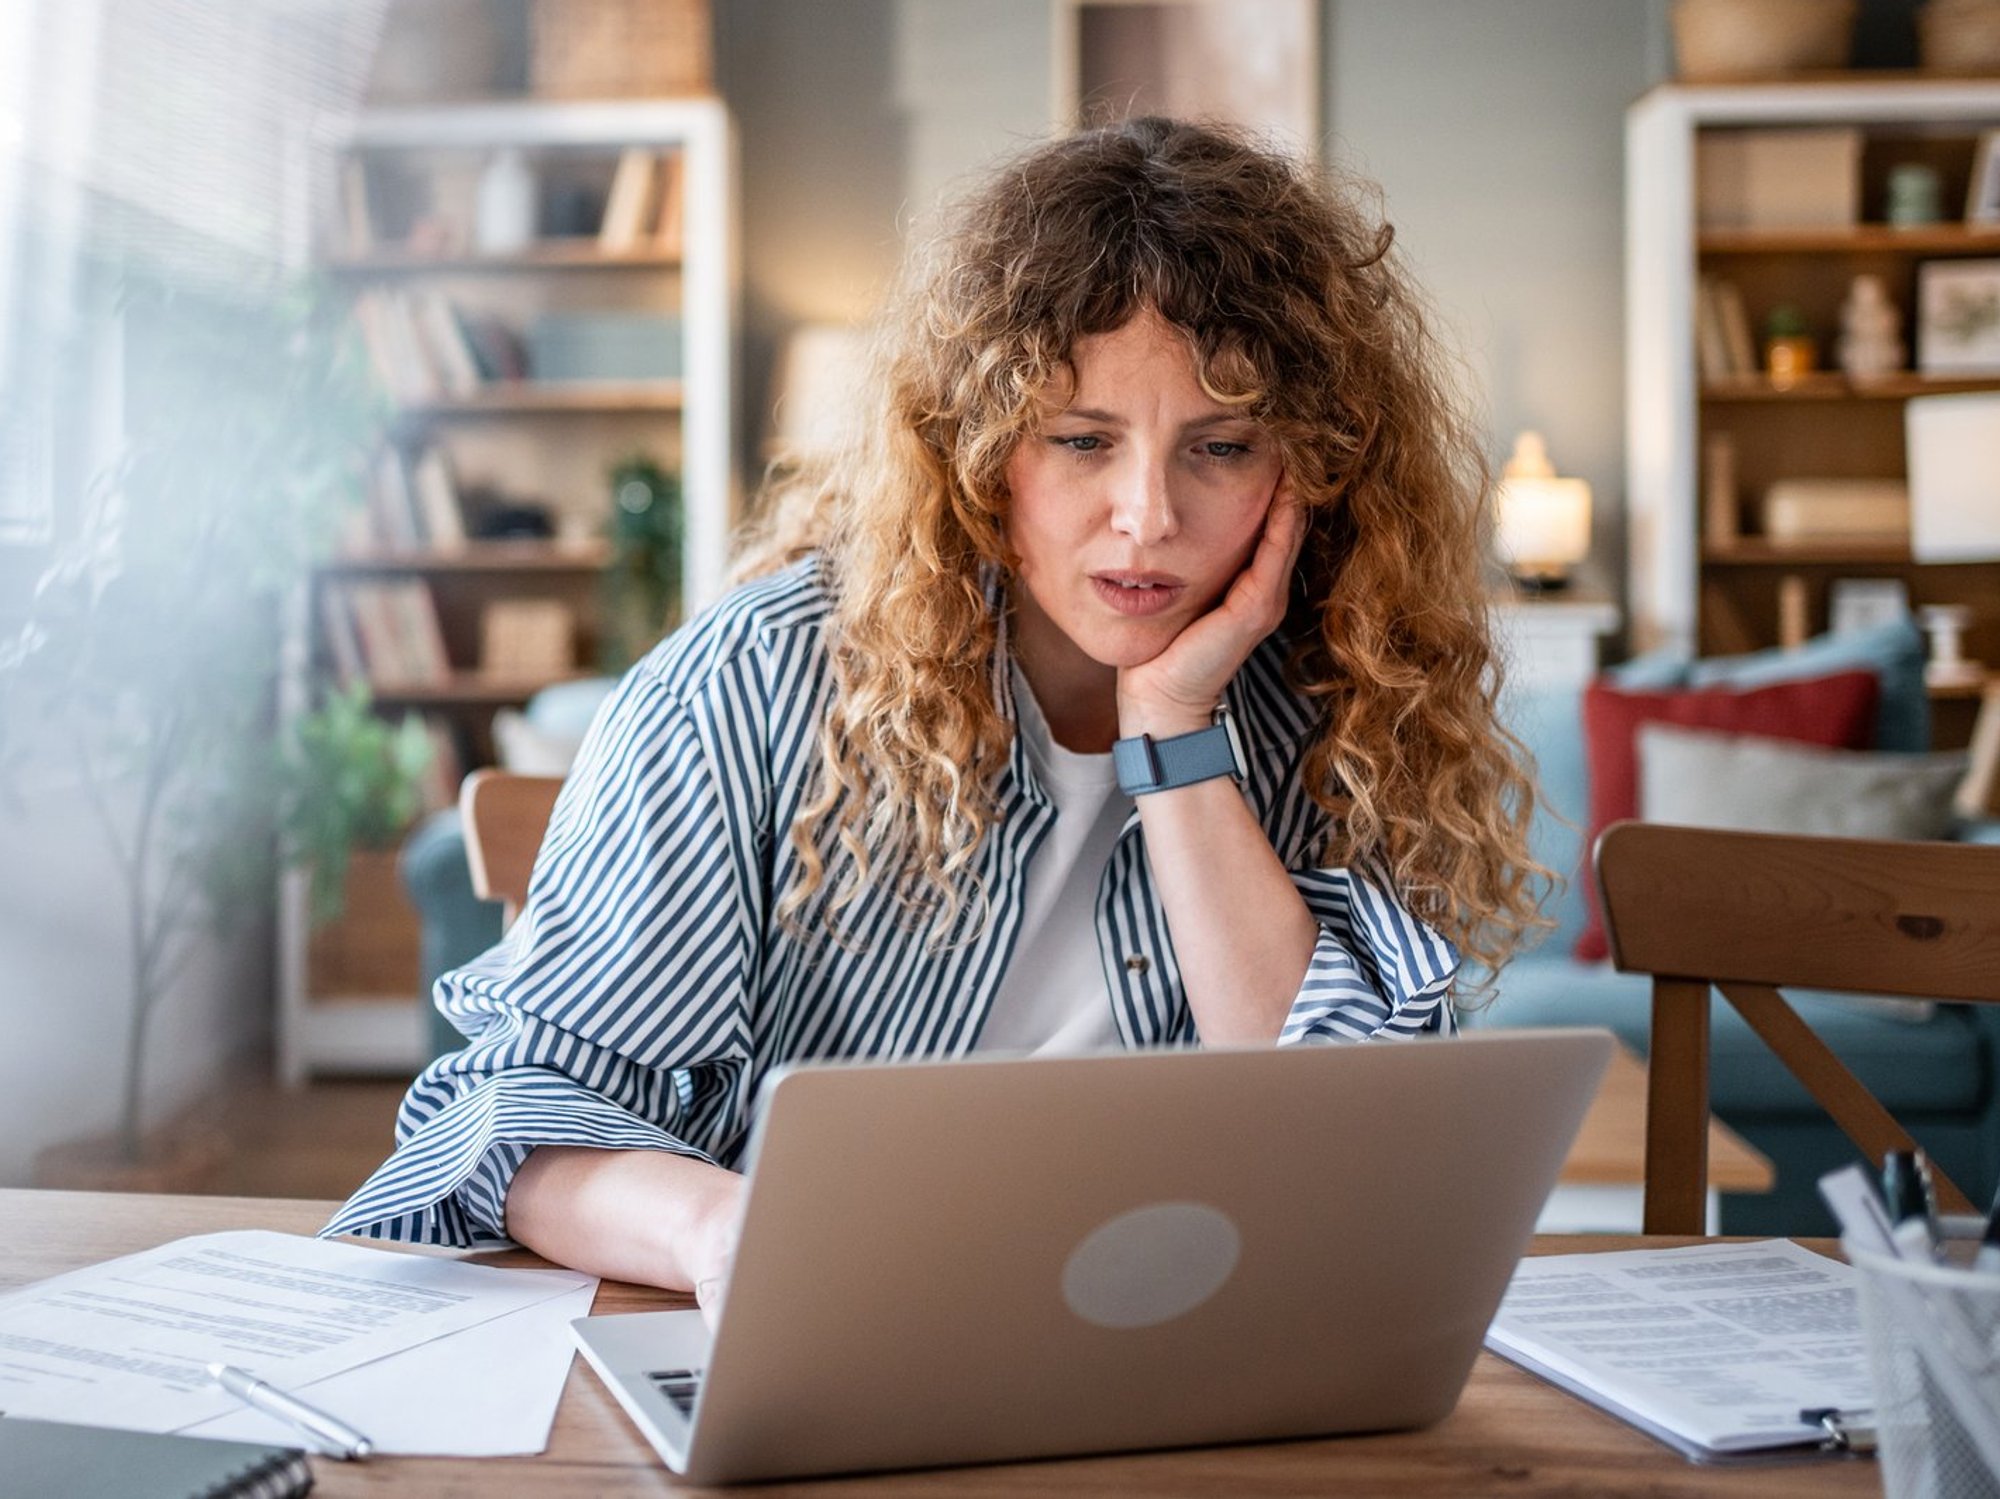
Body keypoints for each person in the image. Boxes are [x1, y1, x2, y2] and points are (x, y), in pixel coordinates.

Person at [325, 116, 1542, 1314]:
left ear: (1307, 470)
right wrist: (724, 1226)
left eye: (1218, 447)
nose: (1146, 515)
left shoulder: (1330, 702)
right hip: (830, 1329)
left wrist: (1174, 735)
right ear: (976, 448)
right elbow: (512, 1119)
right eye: (1081, 440)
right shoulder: (756, 684)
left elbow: (1346, 1156)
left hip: (1169, 1352)